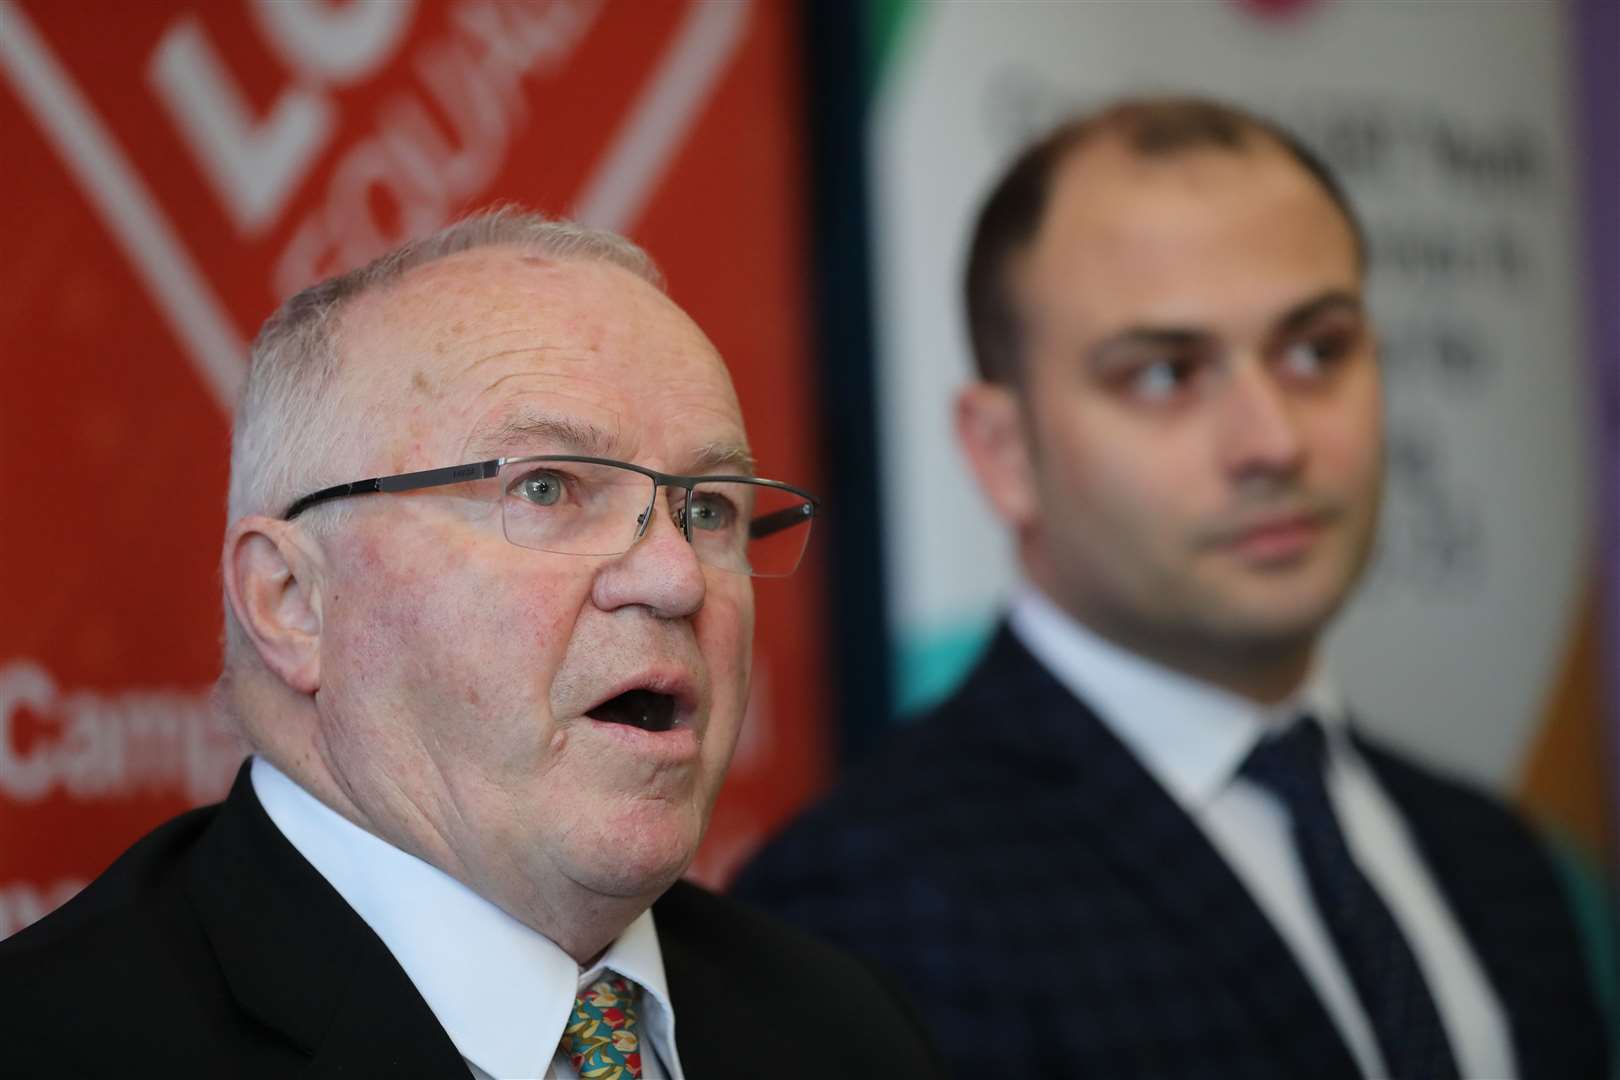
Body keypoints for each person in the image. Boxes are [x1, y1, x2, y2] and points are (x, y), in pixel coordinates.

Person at [733, 98, 1608, 1078]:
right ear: (1003, 450)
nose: (1273, 441)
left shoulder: (1495, 860)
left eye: (1318, 349)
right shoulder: (869, 906)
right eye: (1163, 374)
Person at [0, 209, 945, 1079]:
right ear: (290, 601)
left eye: (706, 508)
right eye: (546, 489)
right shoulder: (55, 1044)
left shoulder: (848, 1028)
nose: (676, 577)